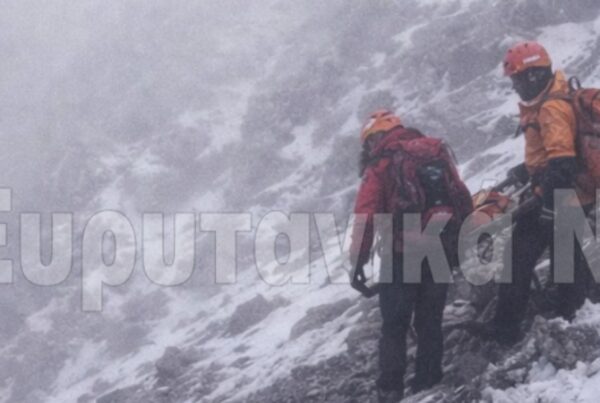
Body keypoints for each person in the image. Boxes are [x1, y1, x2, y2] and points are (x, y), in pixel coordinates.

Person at [472, 41, 594, 345]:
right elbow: (554, 156)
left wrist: (543, 201)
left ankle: (509, 330)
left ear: (534, 75)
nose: (515, 86)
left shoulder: (551, 108)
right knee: (565, 258)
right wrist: (525, 171)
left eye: (517, 79)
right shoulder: (554, 99)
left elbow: (562, 163)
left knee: (518, 257)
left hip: (558, 196)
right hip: (571, 195)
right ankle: (569, 313)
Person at [349, 110, 472, 402]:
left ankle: (390, 391)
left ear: (374, 138)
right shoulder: (434, 151)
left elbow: (366, 216)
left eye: (368, 142)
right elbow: (460, 195)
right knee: (430, 322)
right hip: (440, 247)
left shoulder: (381, 164)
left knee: (395, 326)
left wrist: (358, 262)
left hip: (401, 252)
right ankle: (428, 385)